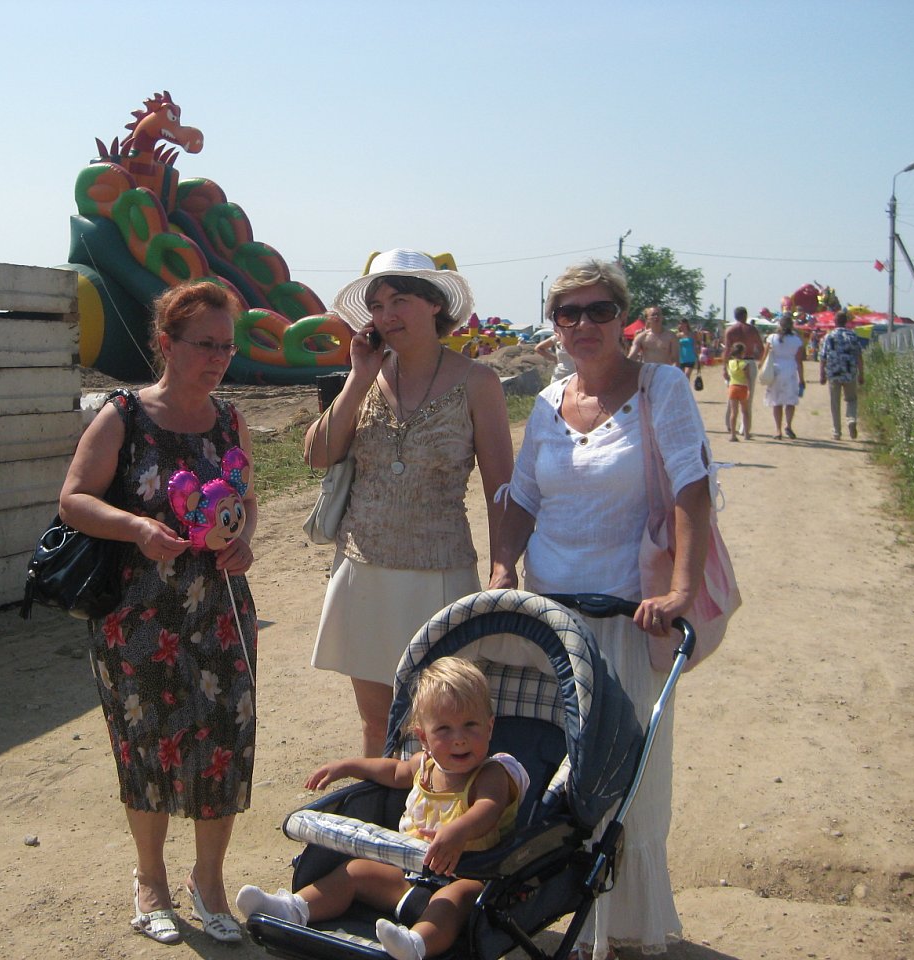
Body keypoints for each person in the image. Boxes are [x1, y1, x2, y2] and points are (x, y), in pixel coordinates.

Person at [488, 258, 712, 960]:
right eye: (569, 312)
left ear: (623, 318)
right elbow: (523, 497)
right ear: (554, 325)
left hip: (627, 619)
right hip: (551, 625)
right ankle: (561, 915)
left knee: (621, 783)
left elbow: (692, 488)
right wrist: (502, 567)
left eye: (599, 310)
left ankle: (618, 931)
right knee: (553, 777)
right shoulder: (548, 401)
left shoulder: (660, 388)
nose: (584, 324)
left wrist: (680, 590)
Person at [58, 281, 258, 945]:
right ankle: (150, 880)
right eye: (206, 344)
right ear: (167, 344)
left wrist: (244, 540)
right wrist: (137, 528)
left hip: (220, 610)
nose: (219, 358)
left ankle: (209, 882)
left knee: (224, 740)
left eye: (227, 346)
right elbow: (74, 499)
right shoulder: (123, 416)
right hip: (137, 616)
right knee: (148, 745)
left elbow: (244, 501)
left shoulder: (230, 421)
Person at [306, 249, 514, 758]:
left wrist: (504, 566)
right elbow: (317, 455)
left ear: (435, 304)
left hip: (439, 571)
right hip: (363, 569)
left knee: (445, 725)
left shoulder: (478, 382)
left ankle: (436, 810)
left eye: (399, 300)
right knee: (377, 725)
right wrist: (358, 378)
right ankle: (380, 806)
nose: (386, 315)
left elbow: (501, 486)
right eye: (377, 305)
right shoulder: (367, 376)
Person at [235, 657, 527, 960]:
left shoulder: (491, 774)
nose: (459, 739)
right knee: (355, 871)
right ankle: (292, 908)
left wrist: (458, 832)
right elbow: (393, 771)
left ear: (489, 727)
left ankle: (416, 944)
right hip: (410, 876)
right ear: (424, 738)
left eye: (470, 725)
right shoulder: (425, 765)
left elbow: (488, 808)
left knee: (455, 898)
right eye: (444, 729)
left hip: (470, 877)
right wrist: (347, 766)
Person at [819, 310, 865, 440]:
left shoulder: (829, 336)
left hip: (833, 372)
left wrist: (822, 374)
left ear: (835, 321)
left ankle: (837, 432)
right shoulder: (852, 336)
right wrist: (861, 374)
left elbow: (823, 357)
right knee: (851, 399)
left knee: (835, 403)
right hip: (850, 372)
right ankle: (851, 419)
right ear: (846, 322)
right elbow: (859, 356)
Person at [762, 313, 806, 439]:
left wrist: (761, 369)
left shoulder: (772, 338)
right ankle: (789, 425)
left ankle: (778, 430)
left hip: (775, 370)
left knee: (777, 402)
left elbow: (765, 356)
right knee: (790, 401)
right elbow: (799, 361)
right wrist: (802, 379)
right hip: (790, 370)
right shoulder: (796, 340)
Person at [723, 307, 763, 439]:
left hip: (733, 363)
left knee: (732, 396)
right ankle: (744, 429)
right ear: (745, 315)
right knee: (747, 398)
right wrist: (760, 360)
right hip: (749, 361)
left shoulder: (730, 330)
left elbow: (727, 350)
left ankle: (730, 425)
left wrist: (724, 368)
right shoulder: (752, 330)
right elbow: (760, 347)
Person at [723, 342, 750, 441]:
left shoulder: (730, 363)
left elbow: (728, 375)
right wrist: (749, 389)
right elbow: (748, 378)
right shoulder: (745, 364)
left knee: (734, 412)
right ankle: (746, 434)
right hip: (742, 387)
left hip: (732, 387)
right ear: (742, 352)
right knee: (745, 411)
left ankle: (733, 435)